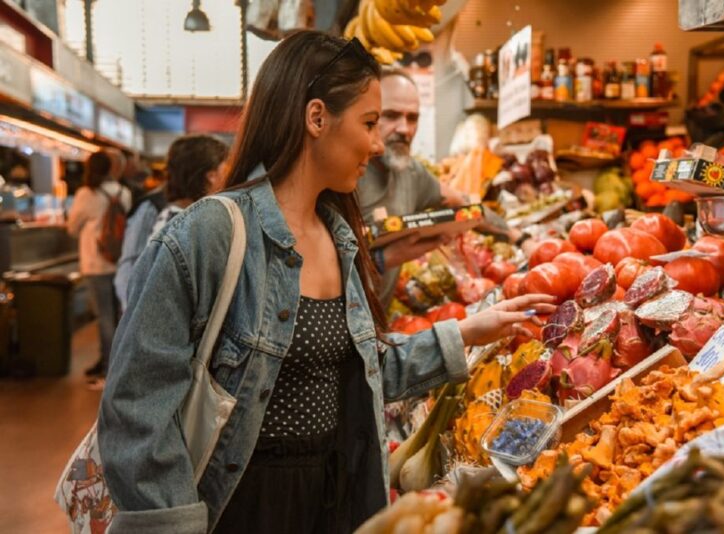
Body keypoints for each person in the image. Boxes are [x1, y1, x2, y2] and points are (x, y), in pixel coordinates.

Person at [97, 31, 554, 534]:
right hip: (241, 505)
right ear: (317, 118)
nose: (379, 143)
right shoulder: (207, 234)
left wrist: (466, 333)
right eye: (370, 122)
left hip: (336, 499)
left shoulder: (339, 237)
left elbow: (358, 371)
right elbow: (138, 408)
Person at [357, 70, 519, 308]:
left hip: (377, 323)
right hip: (336, 331)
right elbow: (316, 265)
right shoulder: (344, 175)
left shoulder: (410, 172)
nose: (404, 129)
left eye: (412, 118)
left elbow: (463, 205)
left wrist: (518, 237)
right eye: (391, 116)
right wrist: (385, 259)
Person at [114, 134, 228, 309]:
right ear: (210, 175)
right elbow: (131, 266)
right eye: (225, 166)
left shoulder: (197, 215)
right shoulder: (159, 210)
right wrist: (135, 314)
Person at [67, 150, 132, 379]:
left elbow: (72, 227)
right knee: (118, 316)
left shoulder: (87, 193)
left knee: (104, 317)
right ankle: (115, 362)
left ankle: (107, 369)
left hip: (96, 263)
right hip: (119, 261)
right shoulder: (124, 192)